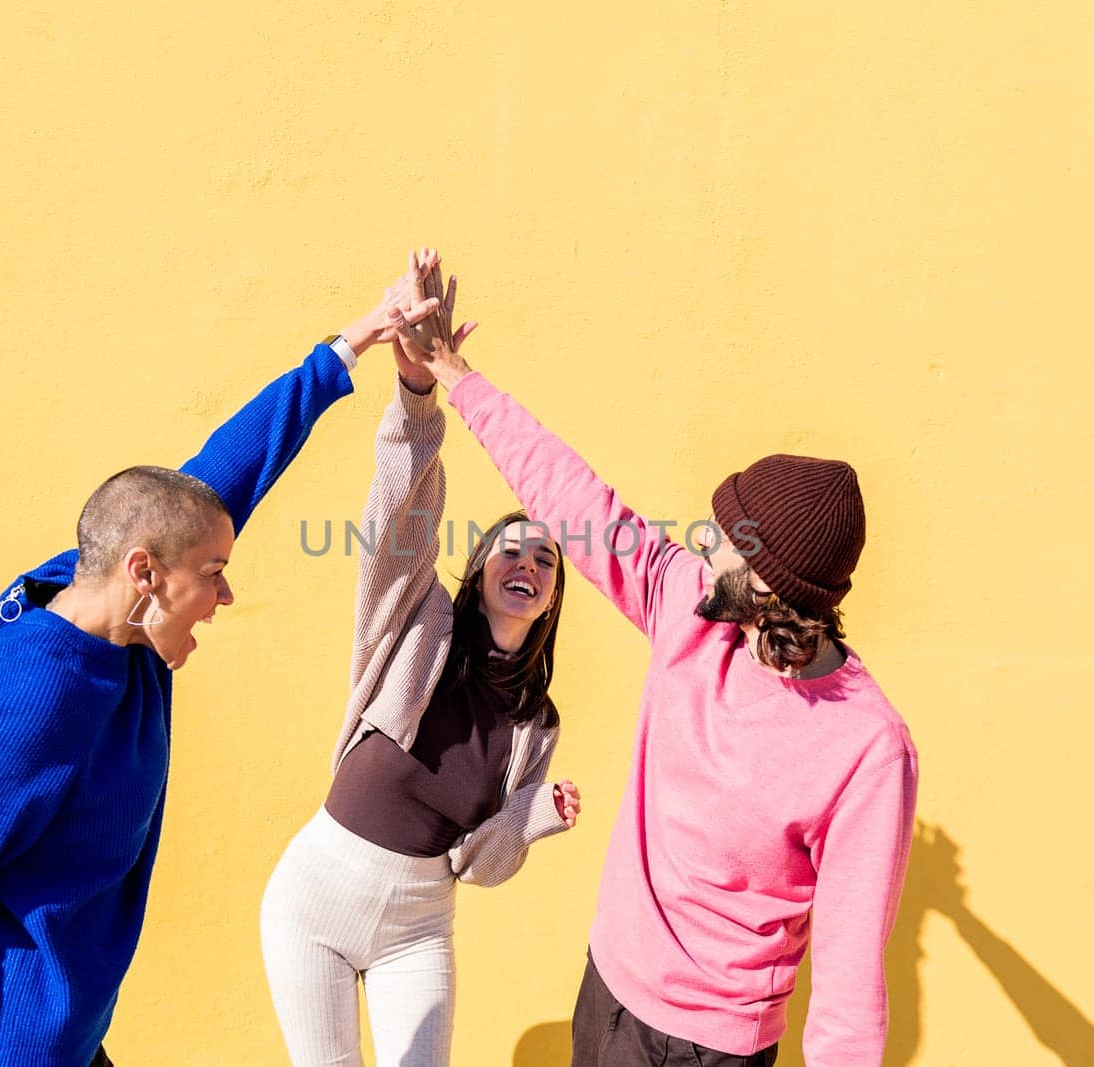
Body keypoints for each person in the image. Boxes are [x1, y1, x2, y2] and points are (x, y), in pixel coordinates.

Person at [0, 258, 443, 1067]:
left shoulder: (109, 597)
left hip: (69, 1043)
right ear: (144, 572)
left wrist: (354, 344)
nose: (226, 595)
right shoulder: (34, 701)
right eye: (214, 576)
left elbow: (222, 475)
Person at [391, 286, 919, 1067]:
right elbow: (575, 498)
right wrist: (455, 374)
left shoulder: (867, 748)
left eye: (732, 539)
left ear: (772, 585)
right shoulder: (693, 609)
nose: (706, 542)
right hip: (607, 991)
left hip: (708, 1048)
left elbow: (848, 993)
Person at [260, 252, 581, 1067]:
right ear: (478, 571)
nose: (528, 564)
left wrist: (532, 817)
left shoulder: (534, 724)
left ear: (550, 597)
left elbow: (481, 864)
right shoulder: (417, 617)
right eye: (510, 551)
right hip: (317, 899)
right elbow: (396, 511)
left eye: (544, 561)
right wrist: (416, 393)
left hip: (419, 925)